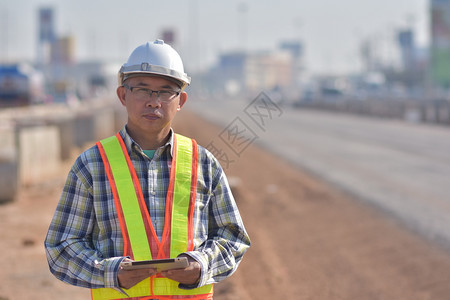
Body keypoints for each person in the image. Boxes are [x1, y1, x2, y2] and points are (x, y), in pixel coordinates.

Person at [45, 39, 251, 300]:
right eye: (142, 90)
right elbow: (61, 248)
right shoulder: (92, 165)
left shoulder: (203, 163)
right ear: (123, 95)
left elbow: (233, 238)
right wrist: (111, 272)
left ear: (181, 101)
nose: (154, 102)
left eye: (165, 92)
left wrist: (201, 265)